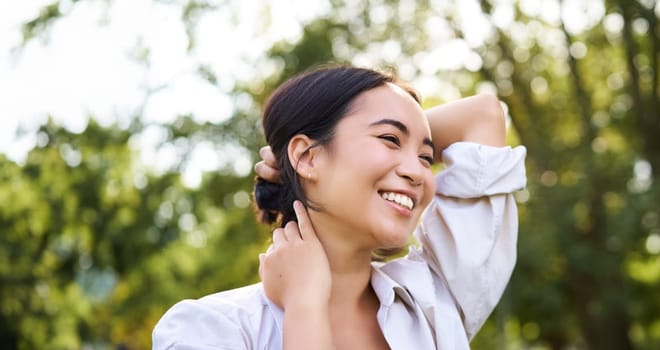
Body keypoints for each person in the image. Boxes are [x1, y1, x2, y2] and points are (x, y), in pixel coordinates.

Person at [152, 65, 527, 349]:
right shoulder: (208, 330)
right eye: (389, 139)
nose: (417, 172)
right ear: (308, 155)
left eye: (426, 158)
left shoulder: (433, 298)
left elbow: (483, 115)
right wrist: (304, 305)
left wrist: (298, 160)